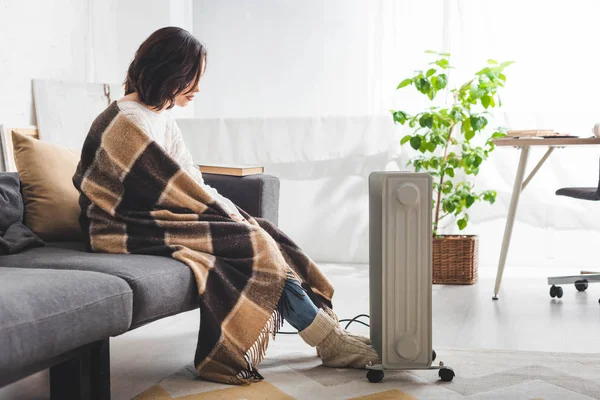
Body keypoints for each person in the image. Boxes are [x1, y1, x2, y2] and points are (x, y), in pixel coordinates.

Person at [92, 26, 378, 381]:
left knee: (263, 232)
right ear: (168, 72)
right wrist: (220, 211)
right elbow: (154, 190)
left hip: (160, 216)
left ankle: (327, 334)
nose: (198, 88)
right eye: (191, 78)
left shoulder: (160, 115)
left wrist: (224, 207)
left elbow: (187, 175)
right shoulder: (128, 120)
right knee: (251, 243)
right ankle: (328, 341)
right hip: (125, 225)